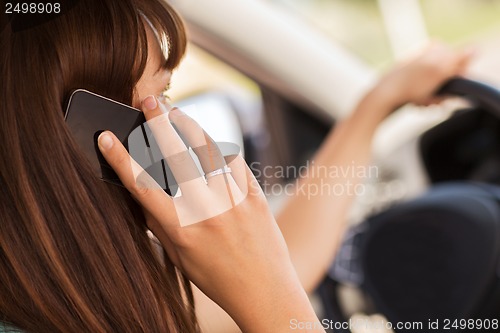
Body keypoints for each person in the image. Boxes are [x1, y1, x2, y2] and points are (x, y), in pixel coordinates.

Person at [0, 0, 471, 332]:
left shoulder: (90, 294)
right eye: (158, 101)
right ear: (82, 140)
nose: (176, 128)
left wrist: (378, 101)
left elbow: (277, 274)